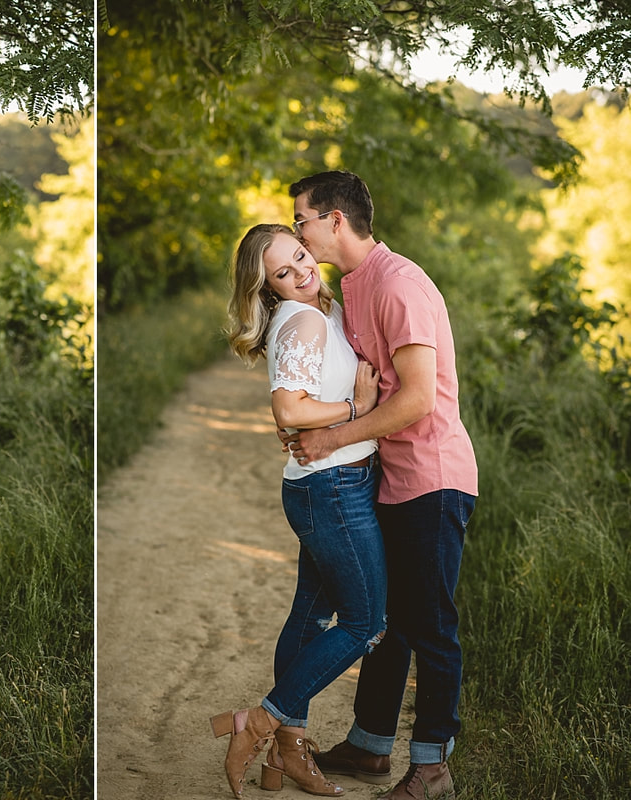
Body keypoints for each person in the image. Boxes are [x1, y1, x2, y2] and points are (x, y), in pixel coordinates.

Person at [284, 171, 478, 800]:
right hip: (388, 479)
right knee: (386, 620)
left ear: (335, 220)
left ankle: (433, 765)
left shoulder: (400, 284)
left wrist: (334, 438)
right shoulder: (353, 286)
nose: (297, 232)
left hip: (432, 477)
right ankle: (370, 746)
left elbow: (420, 399)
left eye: (302, 220)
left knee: (429, 624)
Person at [213, 223, 387, 798]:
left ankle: (286, 752)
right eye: (283, 274)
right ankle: (259, 723)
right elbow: (288, 409)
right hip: (333, 488)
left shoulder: (321, 308)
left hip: (323, 486)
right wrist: (355, 406)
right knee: (365, 623)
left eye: (300, 256)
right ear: (269, 289)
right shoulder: (307, 319)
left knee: (309, 618)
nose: (301, 272)